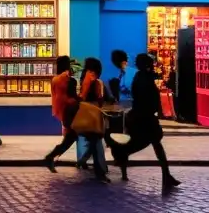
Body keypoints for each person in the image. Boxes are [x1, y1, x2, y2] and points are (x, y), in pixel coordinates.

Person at [106, 53, 181, 190]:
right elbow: (148, 99)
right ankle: (123, 153)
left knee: (152, 144)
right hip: (145, 118)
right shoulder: (143, 79)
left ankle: (166, 175)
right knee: (149, 143)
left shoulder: (139, 77)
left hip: (142, 117)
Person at [76, 57, 111, 182]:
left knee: (93, 142)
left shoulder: (85, 76)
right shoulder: (91, 78)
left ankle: (84, 161)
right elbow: (87, 95)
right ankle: (99, 170)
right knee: (96, 143)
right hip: (92, 113)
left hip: (89, 113)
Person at [43, 55, 79, 171]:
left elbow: (56, 96)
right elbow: (72, 96)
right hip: (70, 111)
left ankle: (51, 157)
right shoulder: (67, 79)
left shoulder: (55, 79)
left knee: (70, 137)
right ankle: (50, 156)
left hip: (62, 111)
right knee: (72, 138)